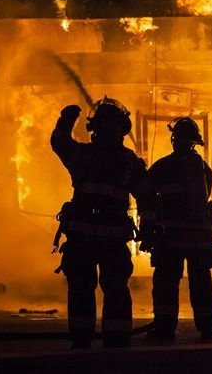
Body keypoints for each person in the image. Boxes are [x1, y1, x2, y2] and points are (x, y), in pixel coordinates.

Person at [50, 96, 155, 348]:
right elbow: (147, 198)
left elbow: (60, 143)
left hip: (88, 239)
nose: (108, 130)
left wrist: (65, 123)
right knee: (109, 288)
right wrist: (149, 227)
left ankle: (83, 338)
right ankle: (113, 340)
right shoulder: (127, 161)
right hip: (108, 240)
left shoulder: (83, 155)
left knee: (85, 288)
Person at [147, 116, 212, 341]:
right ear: (195, 141)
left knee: (166, 283)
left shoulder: (163, 166)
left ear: (174, 139)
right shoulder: (204, 169)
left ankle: (164, 328)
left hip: (171, 239)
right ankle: (207, 328)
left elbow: (146, 191)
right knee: (201, 284)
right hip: (199, 240)